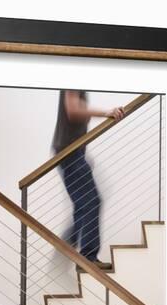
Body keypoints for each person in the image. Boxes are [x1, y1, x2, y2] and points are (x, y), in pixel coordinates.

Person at [52, 90, 125, 269]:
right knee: (92, 202)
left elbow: (74, 115)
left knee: (82, 207)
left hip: (72, 153)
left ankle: (62, 256)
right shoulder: (73, 76)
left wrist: (83, 154)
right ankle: (87, 258)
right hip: (69, 153)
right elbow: (73, 110)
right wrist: (106, 112)